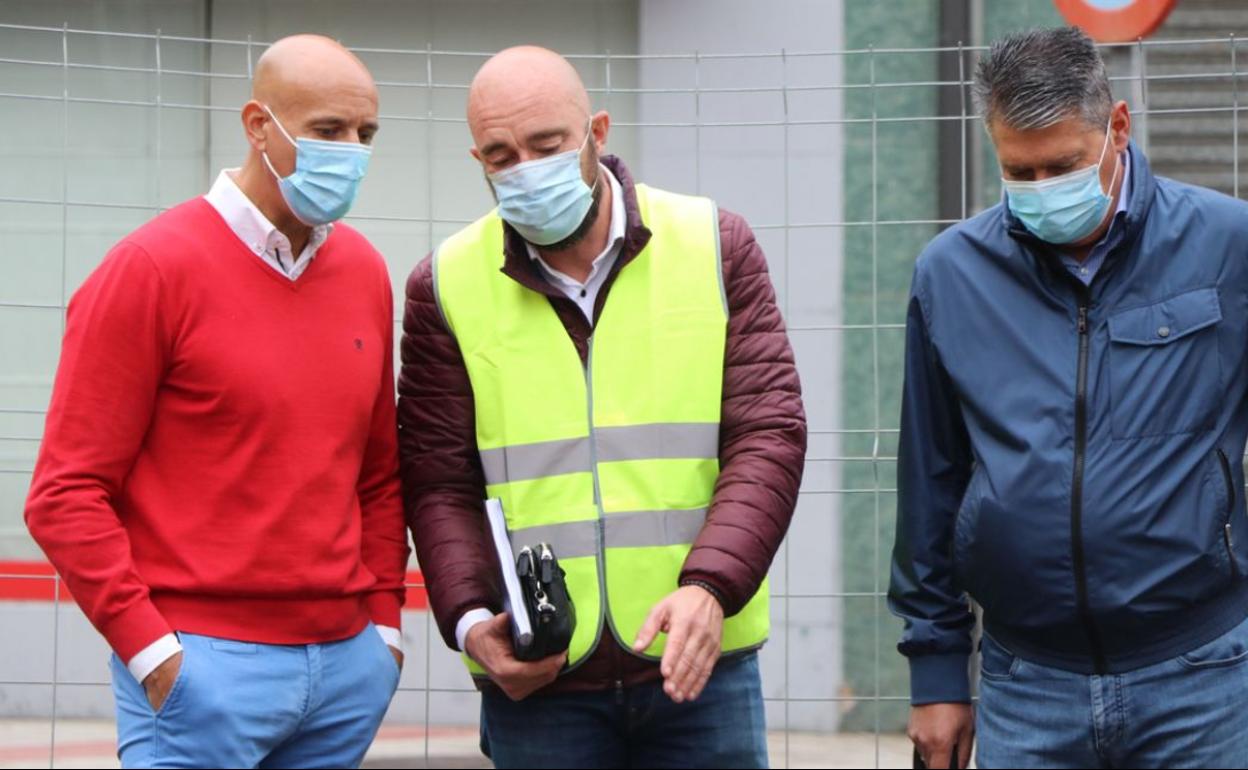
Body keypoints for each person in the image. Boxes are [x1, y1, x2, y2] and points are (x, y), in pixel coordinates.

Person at [398, 46, 806, 769]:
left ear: (598, 131)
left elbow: (767, 433)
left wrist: (712, 586)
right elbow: (438, 481)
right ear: (478, 160)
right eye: (500, 155)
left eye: (547, 145)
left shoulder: (715, 245)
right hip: (542, 679)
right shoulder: (446, 284)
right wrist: (467, 623)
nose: (524, 168)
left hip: (698, 663)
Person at [24, 34, 409, 769]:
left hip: (345, 672)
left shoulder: (362, 271)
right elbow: (65, 494)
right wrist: (156, 656)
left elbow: (377, 474)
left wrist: (384, 634)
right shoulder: (150, 269)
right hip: (202, 671)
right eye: (328, 130)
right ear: (258, 125)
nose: (351, 152)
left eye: (366, 134)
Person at [891, 26, 1248, 769]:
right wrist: (935, 673)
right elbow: (929, 482)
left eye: (1064, 165)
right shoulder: (951, 276)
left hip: (1203, 676)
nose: (1044, 191)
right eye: (1019, 173)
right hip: (1027, 685)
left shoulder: (1226, 246)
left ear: (1118, 126)